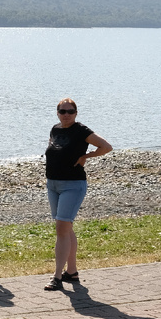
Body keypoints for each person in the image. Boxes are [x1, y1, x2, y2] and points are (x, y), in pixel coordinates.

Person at [43, 97, 112, 291]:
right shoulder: (55, 129)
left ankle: (57, 276)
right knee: (66, 227)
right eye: (62, 111)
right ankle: (71, 272)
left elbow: (106, 147)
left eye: (70, 111)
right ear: (57, 113)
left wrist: (85, 156)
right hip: (53, 184)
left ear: (76, 113)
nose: (66, 115)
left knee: (61, 228)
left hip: (73, 185)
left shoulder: (81, 130)